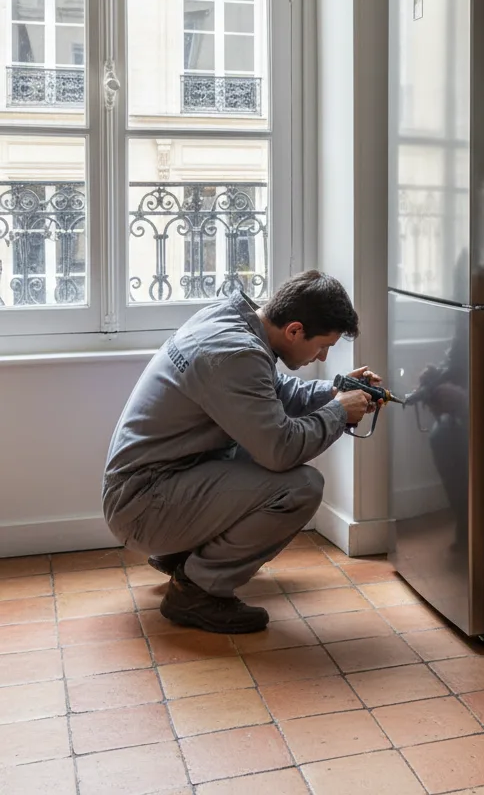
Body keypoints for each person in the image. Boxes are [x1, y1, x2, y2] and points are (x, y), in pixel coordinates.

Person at [102, 270, 381, 634]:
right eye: (323, 345)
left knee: (257, 447)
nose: (322, 355)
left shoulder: (232, 322)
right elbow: (282, 450)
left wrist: (334, 391)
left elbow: (272, 395)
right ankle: (196, 590)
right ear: (295, 330)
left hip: (150, 488)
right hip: (143, 507)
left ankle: (182, 555)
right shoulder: (235, 354)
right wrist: (339, 411)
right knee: (300, 486)